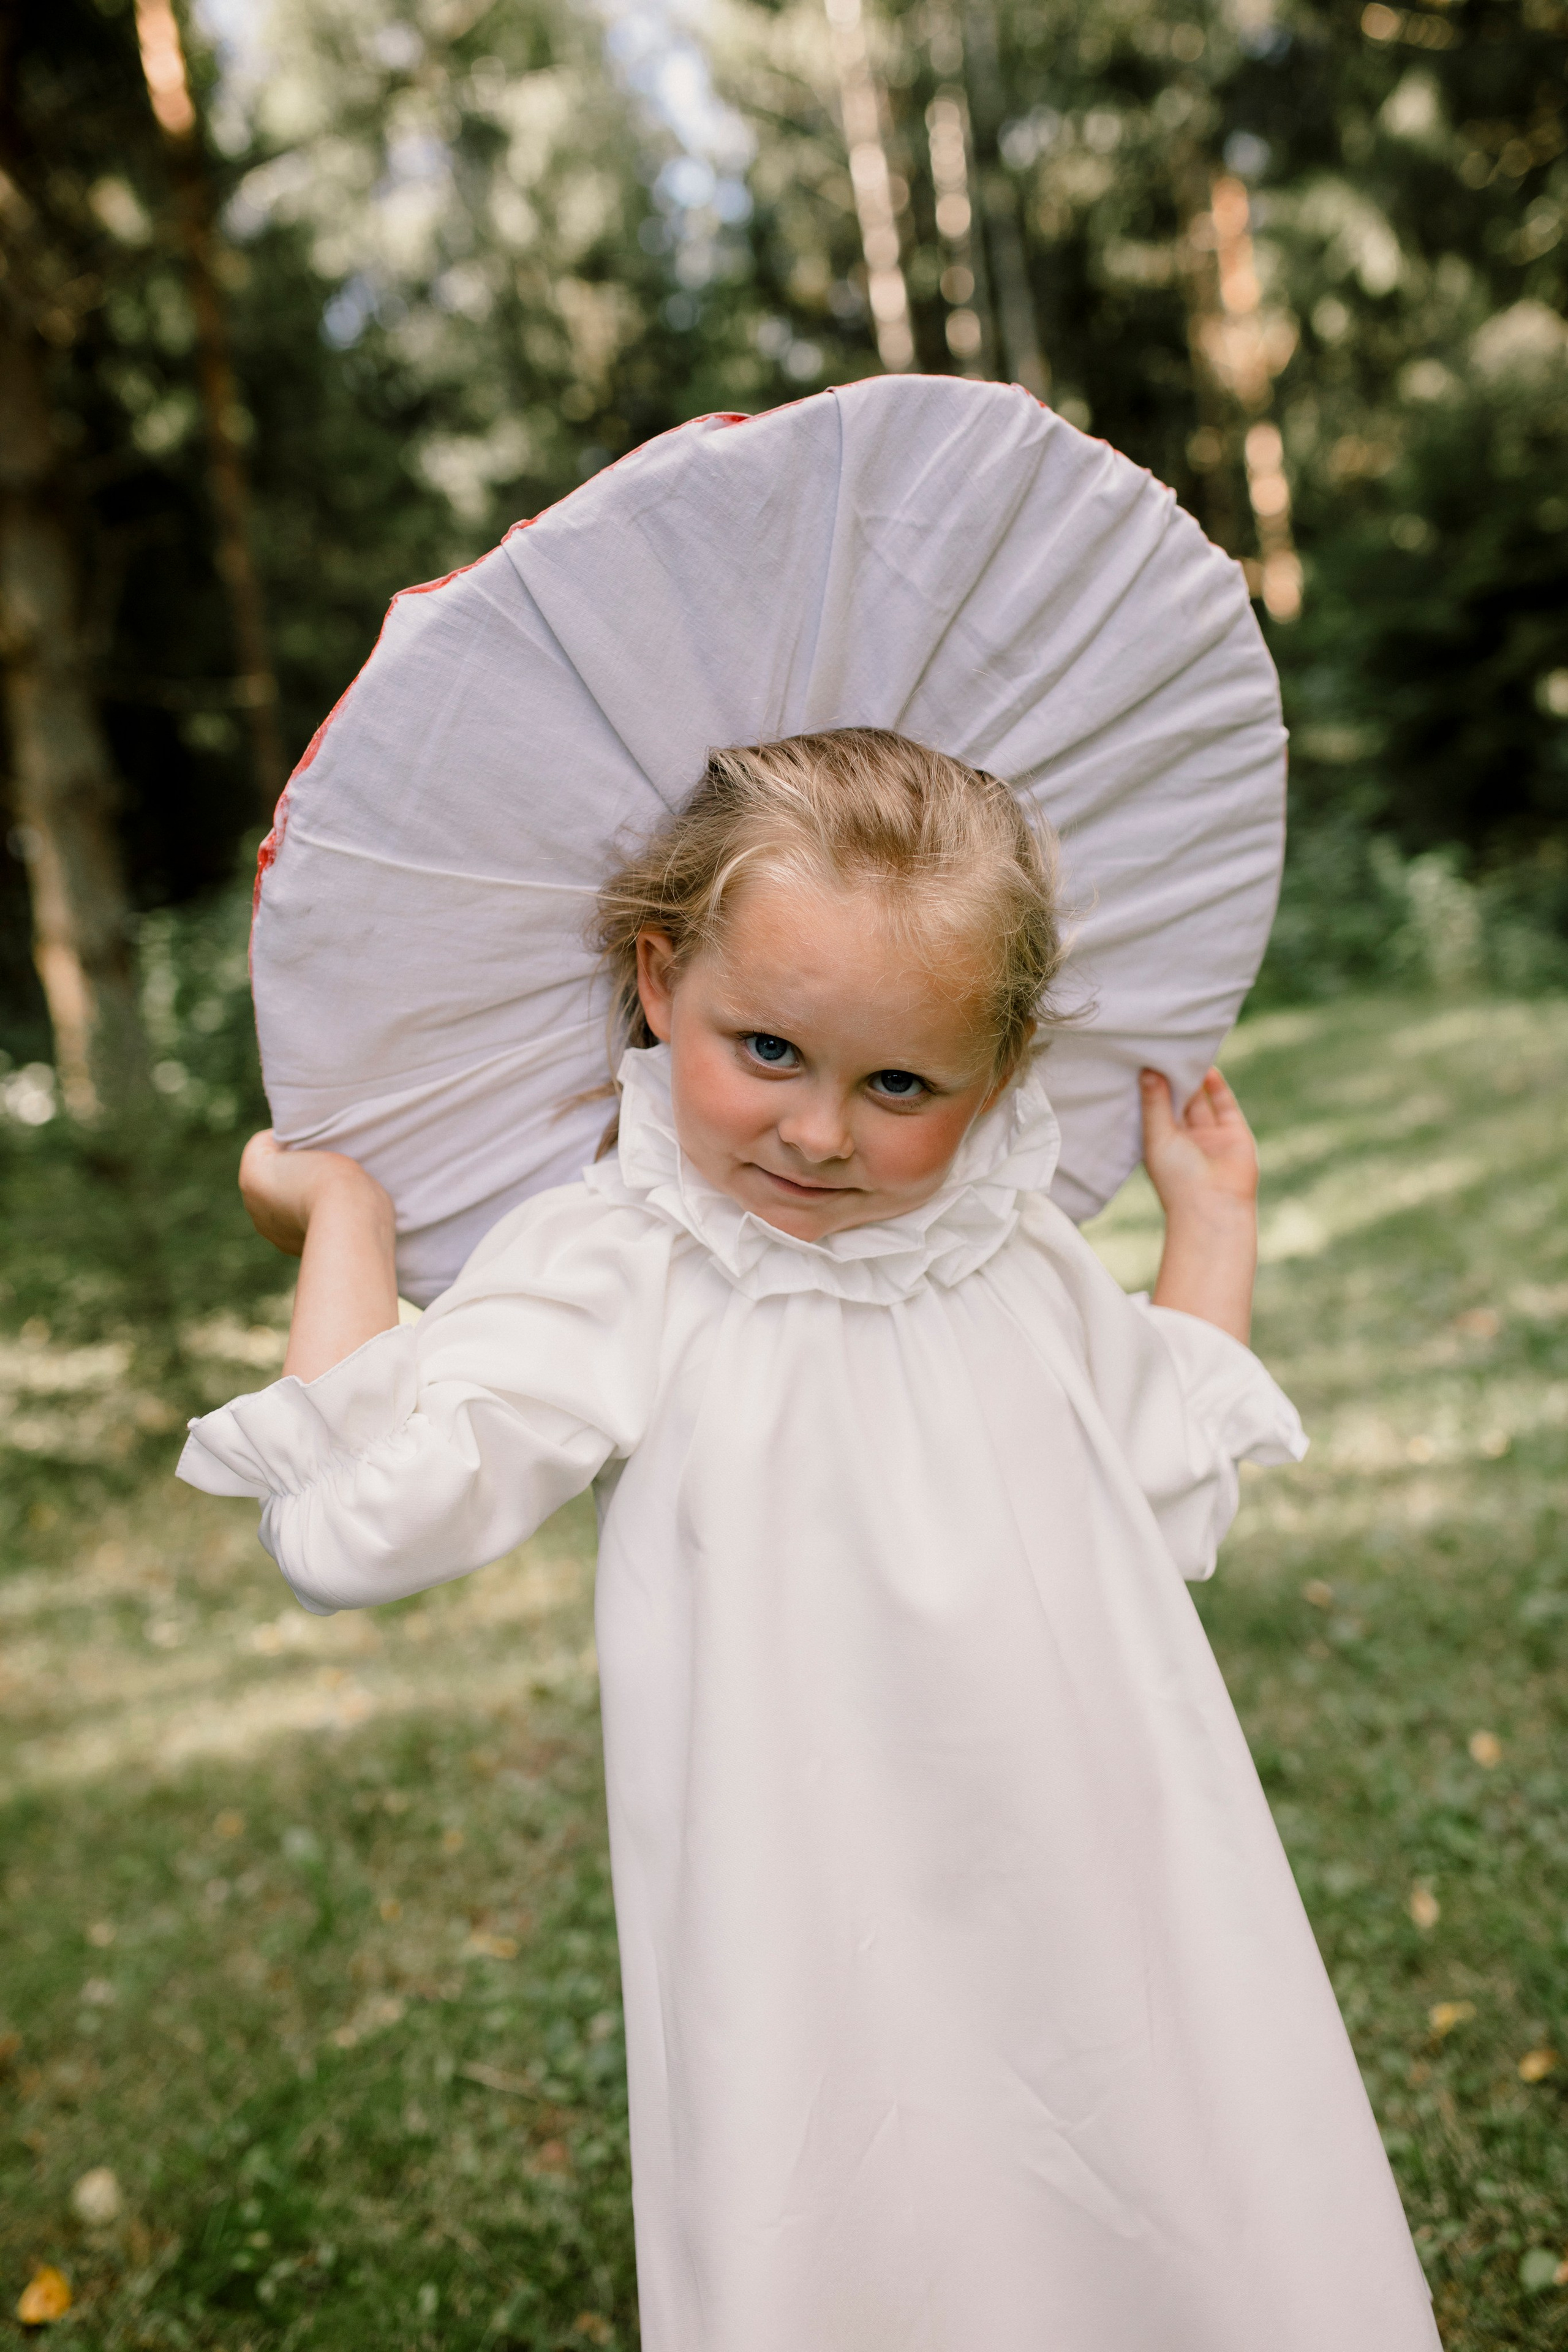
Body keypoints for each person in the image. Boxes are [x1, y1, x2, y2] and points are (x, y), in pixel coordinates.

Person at [180, 729, 1439, 2351]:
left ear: (996, 1074)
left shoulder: (1008, 1249)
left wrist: (1214, 1227)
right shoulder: (619, 1260)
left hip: (1099, 1850)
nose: (822, 1135)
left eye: (900, 1083)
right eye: (766, 1048)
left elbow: (1170, 1493)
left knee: (1163, 2161)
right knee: (868, 2204)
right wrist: (347, 1222)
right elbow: (354, 1530)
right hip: (812, 1886)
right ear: (659, 980)